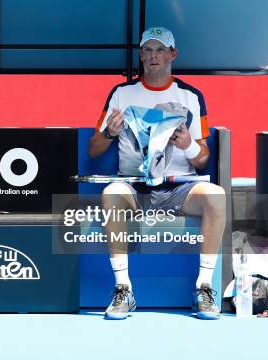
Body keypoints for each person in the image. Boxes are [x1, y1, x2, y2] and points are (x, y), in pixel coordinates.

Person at [88, 26, 226, 320]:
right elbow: (94, 149)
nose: (153, 56)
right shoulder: (121, 94)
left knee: (216, 195)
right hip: (134, 188)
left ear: (172, 54)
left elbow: (202, 160)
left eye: (160, 50)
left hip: (179, 188)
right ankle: (123, 289)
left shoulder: (190, 96)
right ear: (140, 55)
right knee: (111, 194)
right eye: (148, 50)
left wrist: (188, 146)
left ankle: (203, 288)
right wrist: (110, 134)